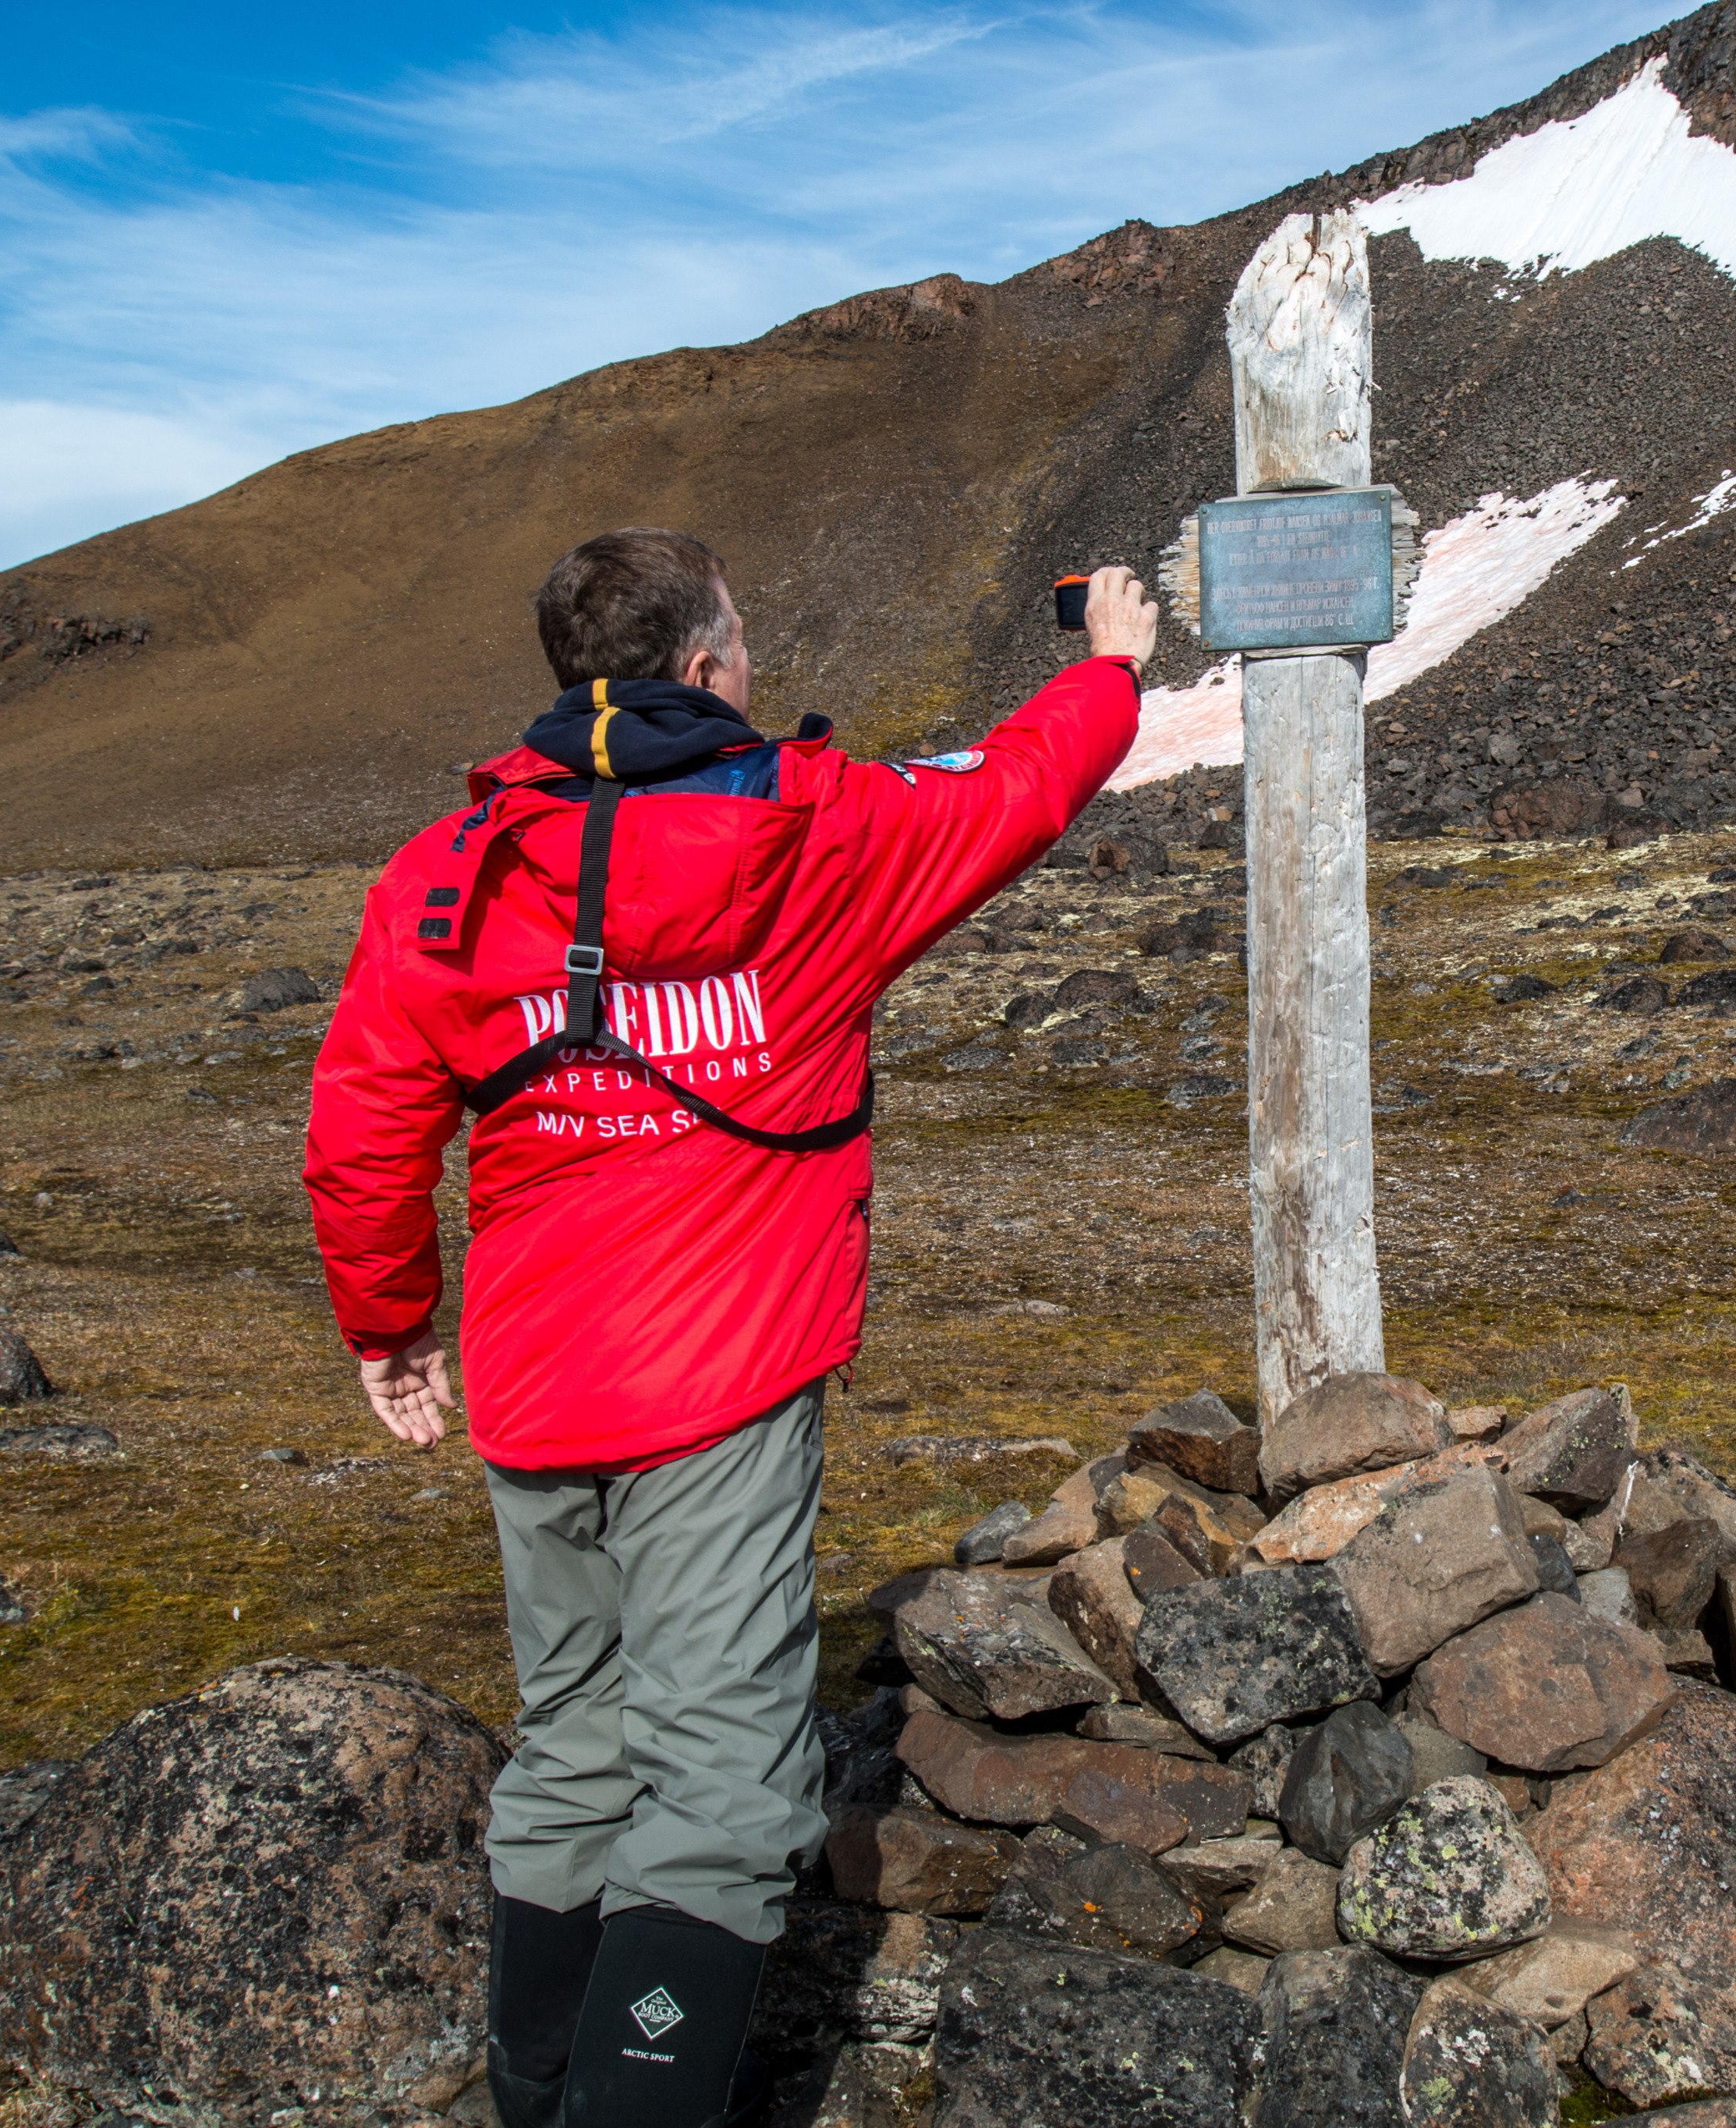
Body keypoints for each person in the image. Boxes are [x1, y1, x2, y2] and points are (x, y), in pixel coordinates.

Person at [302, 527, 1153, 2128]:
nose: (753, 667)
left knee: (572, 1747)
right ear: (700, 666)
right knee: (719, 1798)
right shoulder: (819, 834)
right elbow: (1010, 795)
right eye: (742, 642)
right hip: (722, 1378)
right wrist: (1103, 669)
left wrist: (390, 1320)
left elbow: (361, 1127)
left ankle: (531, 2088)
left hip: (537, 1381)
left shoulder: (446, 870)